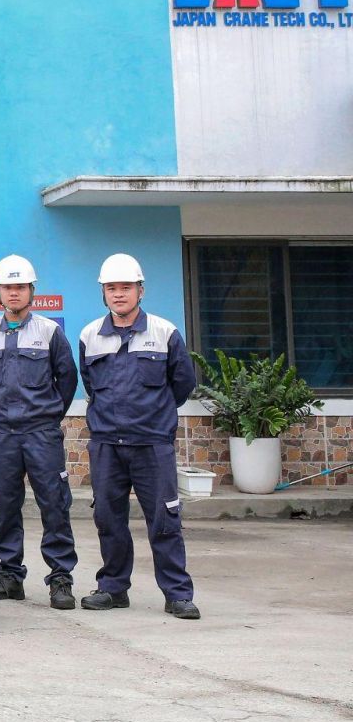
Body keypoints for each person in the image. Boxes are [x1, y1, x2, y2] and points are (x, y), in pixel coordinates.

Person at [78, 253, 201, 620]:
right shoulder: (89, 335)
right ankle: (113, 588)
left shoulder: (164, 332)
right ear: (103, 293)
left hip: (152, 444)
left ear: (140, 291)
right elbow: (90, 385)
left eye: (126, 287)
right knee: (108, 519)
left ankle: (177, 594)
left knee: (165, 519)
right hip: (106, 445)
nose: (119, 294)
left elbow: (183, 383)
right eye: (111, 288)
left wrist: (154, 415)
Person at [0, 254, 80, 610]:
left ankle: (61, 578)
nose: (14, 293)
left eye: (20, 287)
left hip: (41, 433)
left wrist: (48, 415)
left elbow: (67, 379)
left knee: (54, 503)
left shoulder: (49, 332)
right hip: (1, 433)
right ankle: (9, 576)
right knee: (4, 504)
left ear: (31, 291)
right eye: (8, 287)